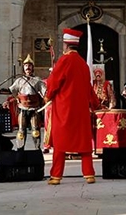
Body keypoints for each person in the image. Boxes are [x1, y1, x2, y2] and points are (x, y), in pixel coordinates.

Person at [45, 28, 99, 185]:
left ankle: (56, 175)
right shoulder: (83, 64)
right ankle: (89, 174)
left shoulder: (64, 61)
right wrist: (95, 104)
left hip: (64, 108)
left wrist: (47, 95)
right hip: (81, 109)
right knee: (83, 142)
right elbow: (89, 88)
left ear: (66, 45)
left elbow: (54, 82)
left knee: (60, 142)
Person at [0, 54, 47, 149]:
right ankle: (20, 151)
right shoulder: (19, 80)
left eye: (29, 65)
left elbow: (45, 92)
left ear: (32, 67)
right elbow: (10, 90)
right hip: (22, 108)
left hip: (34, 109)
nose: (28, 67)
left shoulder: (37, 80)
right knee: (21, 131)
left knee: (35, 130)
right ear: (23, 68)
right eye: (26, 65)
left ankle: (37, 151)